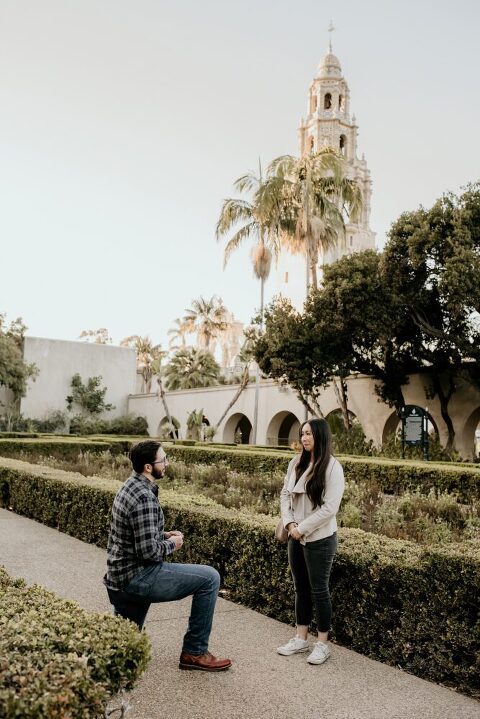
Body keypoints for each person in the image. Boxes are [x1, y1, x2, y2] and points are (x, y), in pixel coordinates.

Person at [103, 440, 232, 672]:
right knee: (210, 578)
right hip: (137, 577)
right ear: (149, 467)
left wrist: (162, 534)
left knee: (122, 654)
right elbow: (148, 552)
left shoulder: (130, 485)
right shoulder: (144, 497)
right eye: (163, 460)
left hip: (119, 577)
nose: (167, 463)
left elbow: (133, 532)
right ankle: (194, 652)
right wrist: (172, 543)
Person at [277, 418, 344, 665]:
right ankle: (301, 638)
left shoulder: (332, 468)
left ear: (321, 437)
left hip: (320, 539)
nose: (305, 438)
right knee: (300, 588)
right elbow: (285, 494)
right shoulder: (296, 463)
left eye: (310, 434)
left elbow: (330, 508)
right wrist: (290, 524)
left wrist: (302, 528)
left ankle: (323, 644)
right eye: (303, 433)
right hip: (295, 535)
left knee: (319, 591)